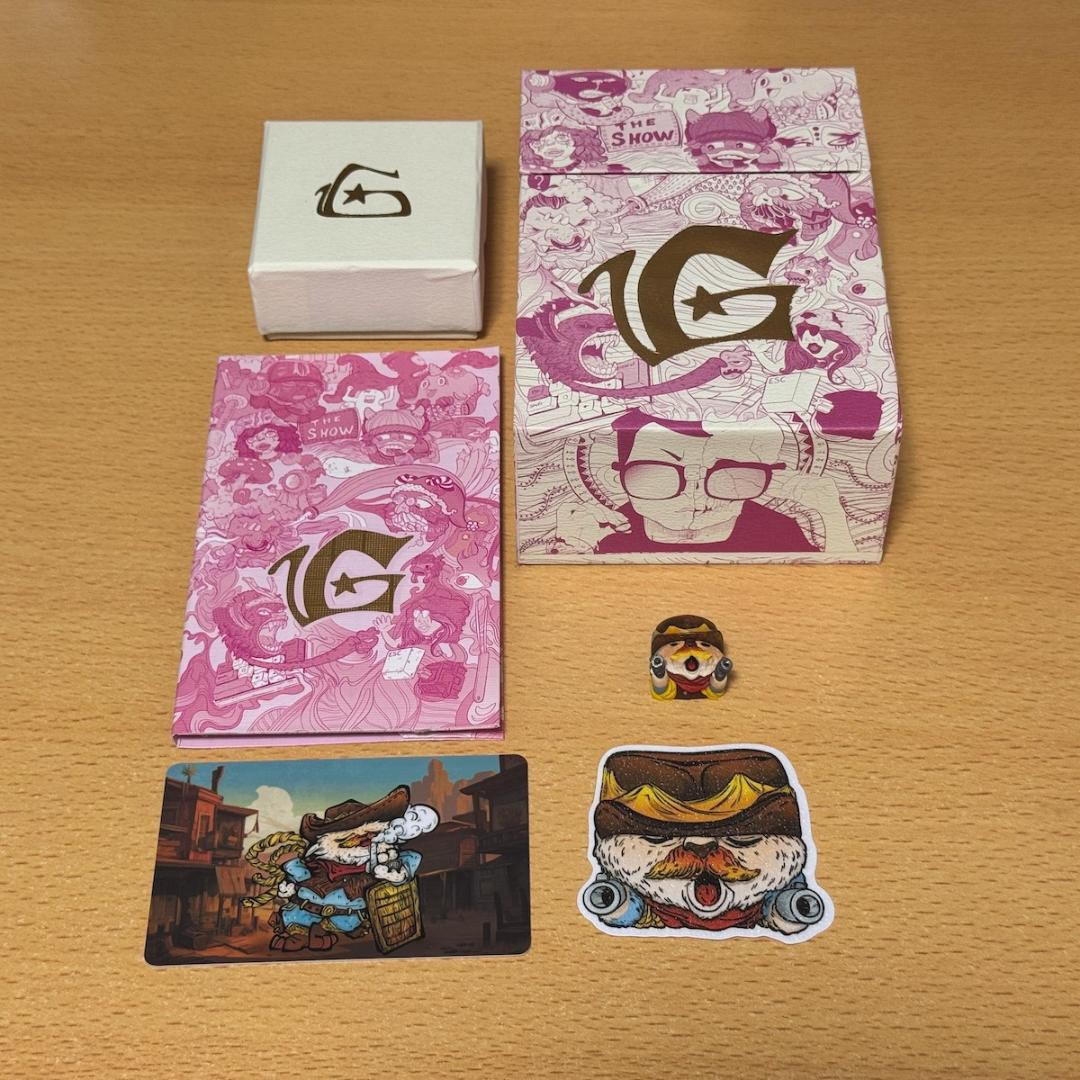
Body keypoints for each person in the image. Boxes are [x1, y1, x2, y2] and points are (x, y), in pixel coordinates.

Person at [595, 409, 817, 554]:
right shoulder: (600, 534)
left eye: (728, 474)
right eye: (659, 473)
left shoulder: (779, 532)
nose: (694, 492)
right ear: (615, 479)